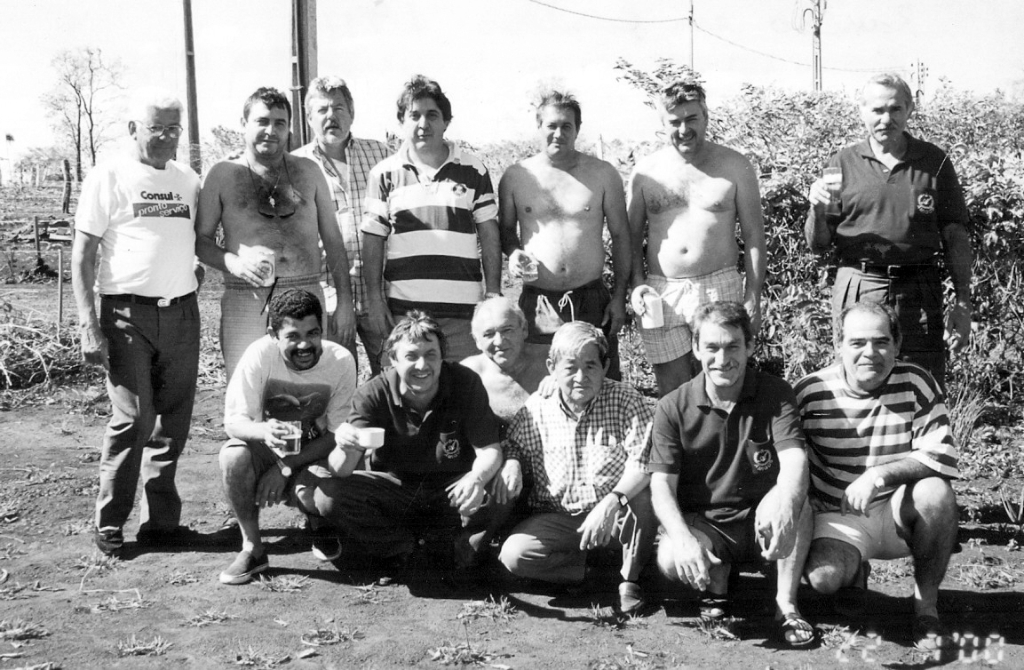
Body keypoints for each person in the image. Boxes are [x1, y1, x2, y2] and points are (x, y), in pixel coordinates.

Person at [72, 89, 202, 556]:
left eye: (174, 128)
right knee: (133, 418)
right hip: (127, 314)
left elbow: (192, 240)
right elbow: (83, 255)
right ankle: (110, 522)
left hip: (182, 312)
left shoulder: (188, 179)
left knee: (174, 420)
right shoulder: (110, 175)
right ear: (133, 129)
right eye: (156, 128)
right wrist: (89, 325)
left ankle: (161, 523)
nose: (166, 137)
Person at [294, 311, 508, 582]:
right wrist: (345, 445)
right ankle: (402, 549)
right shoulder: (373, 393)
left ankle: (458, 547)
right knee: (328, 495)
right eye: (411, 356)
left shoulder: (464, 382)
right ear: (393, 360)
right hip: (395, 488)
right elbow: (341, 469)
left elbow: (489, 450)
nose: (422, 365)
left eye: (431, 354)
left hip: (452, 488)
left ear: (443, 356)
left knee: (500, 482)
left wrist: (477, 478)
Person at [795, 302, 960, 651]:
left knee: (937, 493)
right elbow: (788, 458)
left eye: (881, 342)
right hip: (837, 514)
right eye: (857, 343)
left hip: (897, 511)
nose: (869, 352)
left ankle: (925, 607)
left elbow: (941, 453)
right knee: (823, 580)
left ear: (897, 345)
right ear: (839, 344)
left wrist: (879, 475)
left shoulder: (916, 381)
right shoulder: (811, 391)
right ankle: (854, 573)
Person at [649, 301, 814, 647]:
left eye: (732, 347)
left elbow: (794, 461)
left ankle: (786, 604)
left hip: (761, 520)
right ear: (695, 348)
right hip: (707, 523)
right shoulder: (671, 406)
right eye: (711, 347)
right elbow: (661, 486)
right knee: (668, 557)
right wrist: (681, 538)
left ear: (750, 346)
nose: (722, 360)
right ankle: (717, 580)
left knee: (798, 504)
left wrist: (786, 505)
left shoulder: (776, 393)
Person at [805, 72, 972, 385]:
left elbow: (956, 237)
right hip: (859, 285)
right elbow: (819, 242)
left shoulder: (934, 161)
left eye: (895, 109)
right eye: (878, 110)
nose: (886, 118)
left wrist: (963, 302)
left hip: (919, 288)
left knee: (923, 383)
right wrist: (816, 207)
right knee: (859, 381)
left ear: (909, 109)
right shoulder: (840, 163)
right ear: (862, 111)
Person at [196, 87, 356, 380]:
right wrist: (234, 263)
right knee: (248, 392)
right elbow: (200, 241)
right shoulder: (222, 174)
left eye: (280, 123)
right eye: (262, 121)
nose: (271, 130)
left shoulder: (309, 171)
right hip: (247, 298)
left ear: (289, 129)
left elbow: (333, 242)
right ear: (244, 123)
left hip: (306, 294)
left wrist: (345, 302)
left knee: (310, 391)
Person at [498, 322, 656, 615]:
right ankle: (595, 572)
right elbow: (513, 445)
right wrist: (513, 463)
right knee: (514, 555)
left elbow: (643, 462)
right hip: (562, 516)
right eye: (570, 367)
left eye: (590, 366)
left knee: (643, 498)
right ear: (552, 367)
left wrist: (611, 503)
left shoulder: (624, 399)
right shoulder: (537, 407)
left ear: (606, 366)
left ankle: (629, 579)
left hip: (616, 515)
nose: (580, 377)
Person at [628, 79, 766, 397]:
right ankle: (682, 447)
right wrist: (637, 284)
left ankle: (728, 445)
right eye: (674, 122)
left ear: (705, 116)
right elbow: (630, 238)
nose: (684, 129)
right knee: (673, 392)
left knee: (726, 382)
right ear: (662, 125)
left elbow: (754, 236)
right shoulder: (646, 172)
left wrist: (754, 296)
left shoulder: (735, 165)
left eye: (692, 119)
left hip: (721, 285)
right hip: (662, 291)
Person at [218, 289, 356, 585]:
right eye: (293, 336)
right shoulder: (259, 354)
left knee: (326, 498)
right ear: (273, 334)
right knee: (233, 455)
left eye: (313, 333)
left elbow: (336, 434)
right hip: (269, 448)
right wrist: (264, 430)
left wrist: (286, 467)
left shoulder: (341, 360)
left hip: (313, 453)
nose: (305, 344)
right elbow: (234, 422)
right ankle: (253, 548)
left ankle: (320, 524)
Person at [361, 75, 501, 362]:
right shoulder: (384, 174)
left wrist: (494, 293)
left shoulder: (474, 170)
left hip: (464, 314)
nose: (423, 124)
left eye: (432, 115)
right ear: (401, 121)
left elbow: (489, 233)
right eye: (414, 116)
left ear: (446, 121)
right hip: (406, 315)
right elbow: (373, 239)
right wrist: (375, 299)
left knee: (462, 394)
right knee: (410, 394)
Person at [498, 90, 630, 380]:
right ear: (539, 127)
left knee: (599, 383)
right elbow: (506, 231)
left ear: (578, 130)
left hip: (591, 299)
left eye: (566, 126)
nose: (558, 133)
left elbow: (622, 236)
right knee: (540, 385)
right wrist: (515, 252)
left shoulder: (603, 174)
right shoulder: (516, 176)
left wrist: (619, 296)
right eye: (551, 126)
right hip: (538, 302)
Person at [292, 76, 392, 374]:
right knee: (333, 386)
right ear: (309, 118)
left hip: (381, 294)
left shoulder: (381, 155)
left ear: (352, 113)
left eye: (338, 107)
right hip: (328, 298)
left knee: (393, 379)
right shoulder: (295, 167)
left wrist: (377, 299)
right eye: (321, 110)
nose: (331, 116)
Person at [460, 297, 549, 427]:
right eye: (488, 334)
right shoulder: (466, 374)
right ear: (477, 340)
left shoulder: (551, 361)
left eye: (507, 330)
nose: (499, 342)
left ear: (524, 329)